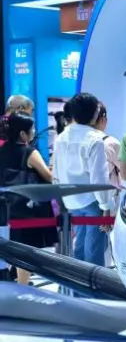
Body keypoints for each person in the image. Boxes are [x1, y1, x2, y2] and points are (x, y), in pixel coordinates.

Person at [52, 93, 114, 269]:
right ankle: (93, 285)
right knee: (94, 247)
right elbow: (99, 177)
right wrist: (106, 206)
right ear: (94, 113)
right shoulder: (95, 139)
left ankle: (77, 283)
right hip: (92, 200)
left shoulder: (61, 137)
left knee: (79, 243)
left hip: (71, 199)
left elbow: (57, 171)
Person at [0, 112, 57, 284]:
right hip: (26, 209)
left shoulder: (2, 150)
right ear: (23, 134)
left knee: (10, 246)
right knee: (25, 251)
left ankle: (12, 282)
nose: (34, 132)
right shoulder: (29, 153)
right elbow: (49, 177)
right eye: (31, 129)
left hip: (6, 208)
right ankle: (22, 287)